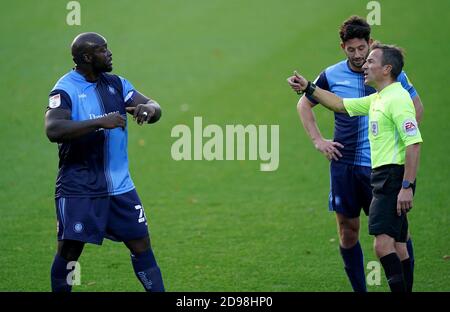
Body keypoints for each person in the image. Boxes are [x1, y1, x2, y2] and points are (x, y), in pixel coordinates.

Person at [287, 16, 423, 292]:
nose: (361, 57)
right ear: (343, 48)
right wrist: (317, 134)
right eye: (352, 50)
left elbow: (414, 128)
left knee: (390, 240)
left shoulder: (394, 89)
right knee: (358, 233)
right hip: (351, 167)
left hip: (385, 171)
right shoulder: (366, 91)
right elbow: (336, 105)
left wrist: (405, 173)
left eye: (366, 51)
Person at [45, 32, 164, 292]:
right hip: (80, 188)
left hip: (121, 187)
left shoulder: (117, 84)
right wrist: (101, 122)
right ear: (87, 57)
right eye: (102, 50)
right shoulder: (65, 89)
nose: (109, 53)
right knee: (69, 253)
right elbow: (53, 129)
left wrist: (149, 110)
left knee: (141, 245)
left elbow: (153, 106)